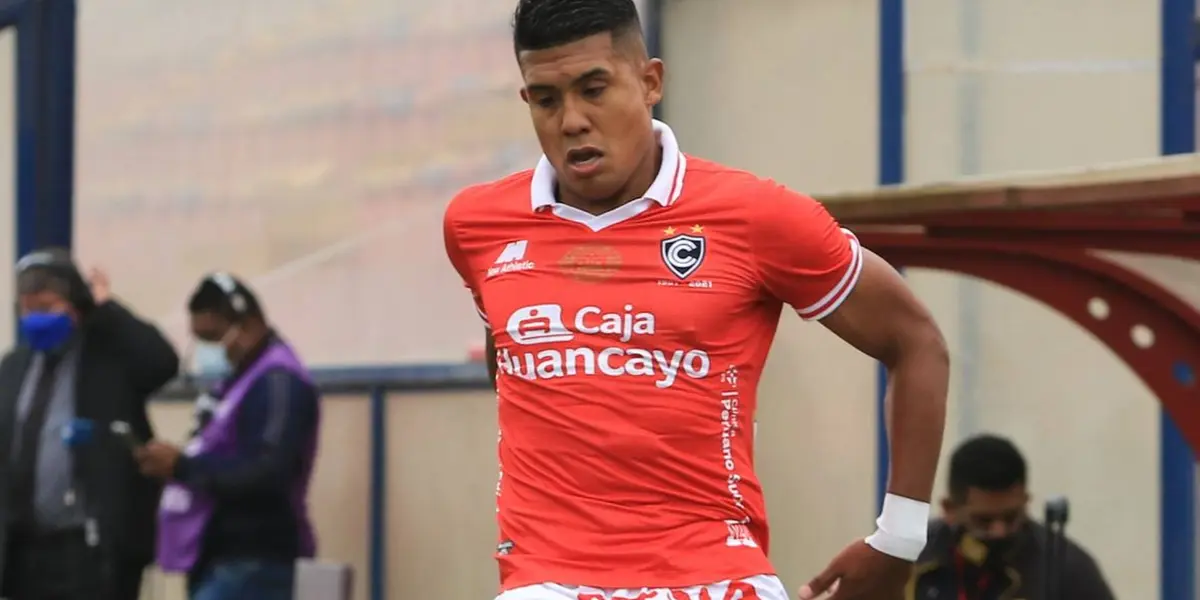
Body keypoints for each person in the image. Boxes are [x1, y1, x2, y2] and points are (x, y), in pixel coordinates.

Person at [441, 1, 951, 599]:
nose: (572, 119)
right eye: (548, 98)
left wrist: (898, 539)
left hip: (716, 579)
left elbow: (916, 341)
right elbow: (515, 357)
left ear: (650, 81)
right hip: (546, 582)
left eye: (594, 88)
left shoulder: (756, 216)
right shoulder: (477, 225)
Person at [0, 247, 179, 600]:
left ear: (76, 310)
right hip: (22, 550)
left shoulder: (110, 362)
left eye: (47, 308)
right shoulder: (14, 367)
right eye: (28, 309)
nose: (36, 318)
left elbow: (163, 363)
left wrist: (108, 309)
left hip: (89, 549)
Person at [134, 273, 321, 600]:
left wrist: (184, 467)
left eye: (212, 337)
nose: (208, 351)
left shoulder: (278, 384)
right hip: (219, 558)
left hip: (255, 559)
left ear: (247, 327)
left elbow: (269, 471)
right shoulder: (239, 381)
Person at [908, 434, 1114, 600]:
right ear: (949, 509)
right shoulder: (910, 559)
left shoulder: (1066, 569)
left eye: (1012, 517)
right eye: (984, 520)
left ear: (1026, 501)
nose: (1000, 531)